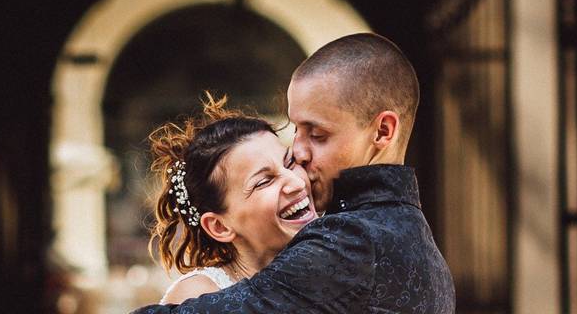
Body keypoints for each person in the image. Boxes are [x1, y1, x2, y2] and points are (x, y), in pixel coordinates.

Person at [132, 32, 455, 313]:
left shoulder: (350, 242)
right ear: (218, 225)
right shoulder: (421, 245)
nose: (299, 157)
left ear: (383, 131)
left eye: (317, 134)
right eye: (296, 132)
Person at [148, 94, 317, 304]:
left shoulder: (331, 266)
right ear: (219, 226)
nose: (297, 183)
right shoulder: (200, 296)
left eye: (290, 162)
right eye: (264, 181)